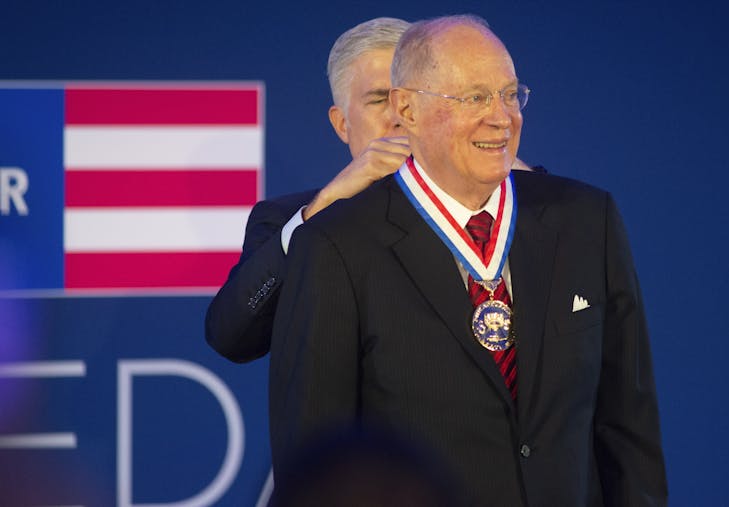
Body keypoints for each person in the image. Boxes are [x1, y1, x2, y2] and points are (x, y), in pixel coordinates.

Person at [269, 15, 667, 507]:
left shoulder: (587, 219)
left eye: (510, 93)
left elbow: (629, 428)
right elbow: (317, 467)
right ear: (407, 109)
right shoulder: (336, 246)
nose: (501, 117)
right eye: (474, 97)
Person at [205, 17, 540, 364]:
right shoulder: (296, 218)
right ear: (341, 124)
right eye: (381, 99)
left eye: (413, 98)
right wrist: (324, 207)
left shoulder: (512, 194)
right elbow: (232, 337)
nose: (401, 115)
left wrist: (492, 160)